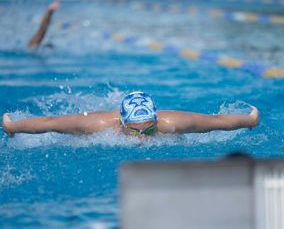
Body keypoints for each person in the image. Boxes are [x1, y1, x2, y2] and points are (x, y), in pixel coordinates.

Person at [2, 92, 259, 137]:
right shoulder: (96, 125)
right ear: (121, 123)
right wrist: (12, 127)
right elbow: (50, 122)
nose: (143, 138)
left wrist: (250, 120)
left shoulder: (172, 123)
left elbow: (215, 122)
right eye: (134, 131)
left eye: (148, 130)